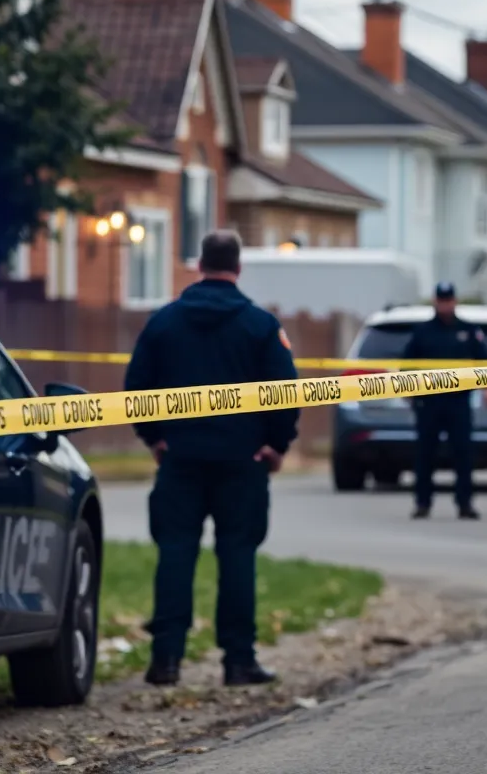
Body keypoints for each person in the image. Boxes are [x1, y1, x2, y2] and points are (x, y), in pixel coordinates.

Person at [123, 229, 300, 686]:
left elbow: (136, 386)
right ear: (238, 268)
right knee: (238, 555)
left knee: (176, 553)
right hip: (243, 461)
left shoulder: (163, 323)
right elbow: (286, 392)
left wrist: (154, 438)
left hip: (180, 459)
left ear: (199, 266)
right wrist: (276, 446)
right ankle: (239, 661)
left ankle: (166, 660)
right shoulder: (260, 326)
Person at [403, 282, 487, 520]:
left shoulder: (468, 329)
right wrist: (408, 391)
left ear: (455, 301)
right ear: (435, 301)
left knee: (463, 453)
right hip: (429, 402)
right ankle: (423, 503)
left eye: (448, 300)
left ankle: (465, 503)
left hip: (458, 401)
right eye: (441, 300)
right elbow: (407, 364)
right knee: (425, 454)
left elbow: (483, 361)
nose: (444, 304)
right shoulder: (422, 331)